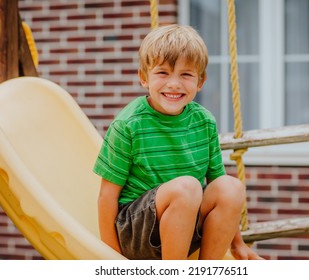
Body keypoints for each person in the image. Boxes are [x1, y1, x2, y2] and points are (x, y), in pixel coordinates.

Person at [93, 24, 262, 260]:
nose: (174, 83)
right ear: (144, 78)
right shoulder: (129, 124)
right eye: (163, 73)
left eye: (186, 74)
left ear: (200, 81)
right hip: (137, 234)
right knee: (188, 186)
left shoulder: (204, 122)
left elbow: (218, 187)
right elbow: (107, 197)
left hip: (186, 226)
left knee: (230, 186)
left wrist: (238, 243)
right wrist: (111, 259)